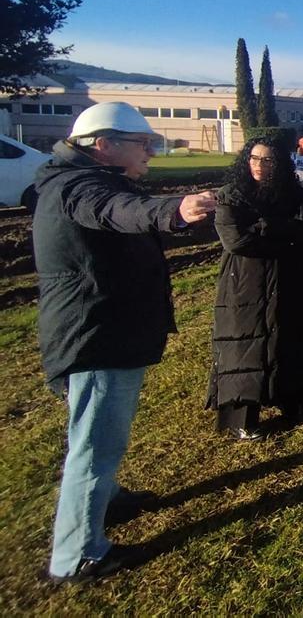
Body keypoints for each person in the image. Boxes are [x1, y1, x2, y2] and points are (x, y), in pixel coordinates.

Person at [32, 102, 217, 583]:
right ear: (104, 145)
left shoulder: (80, 179)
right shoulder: (80, 188)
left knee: (93, 434)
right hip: (97, 336)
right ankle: (77, 556)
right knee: (95, 444)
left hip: (102, 330)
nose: (152, 151)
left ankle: (106, 499)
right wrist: (173, 211)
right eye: (143, 144)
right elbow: (120, 212)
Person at [208, 138, 303, 440]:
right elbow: (235, 240)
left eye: (268, 160)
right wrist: (282, 237)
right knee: (246, 342)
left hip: (289, 278)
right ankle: (242, 417)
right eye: (255, 158)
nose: (260, 165)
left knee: (290, 337)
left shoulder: (292, 191)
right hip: (246, 281)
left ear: (280, 163)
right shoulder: (232, 195)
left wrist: (266, 227)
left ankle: (294, 403)